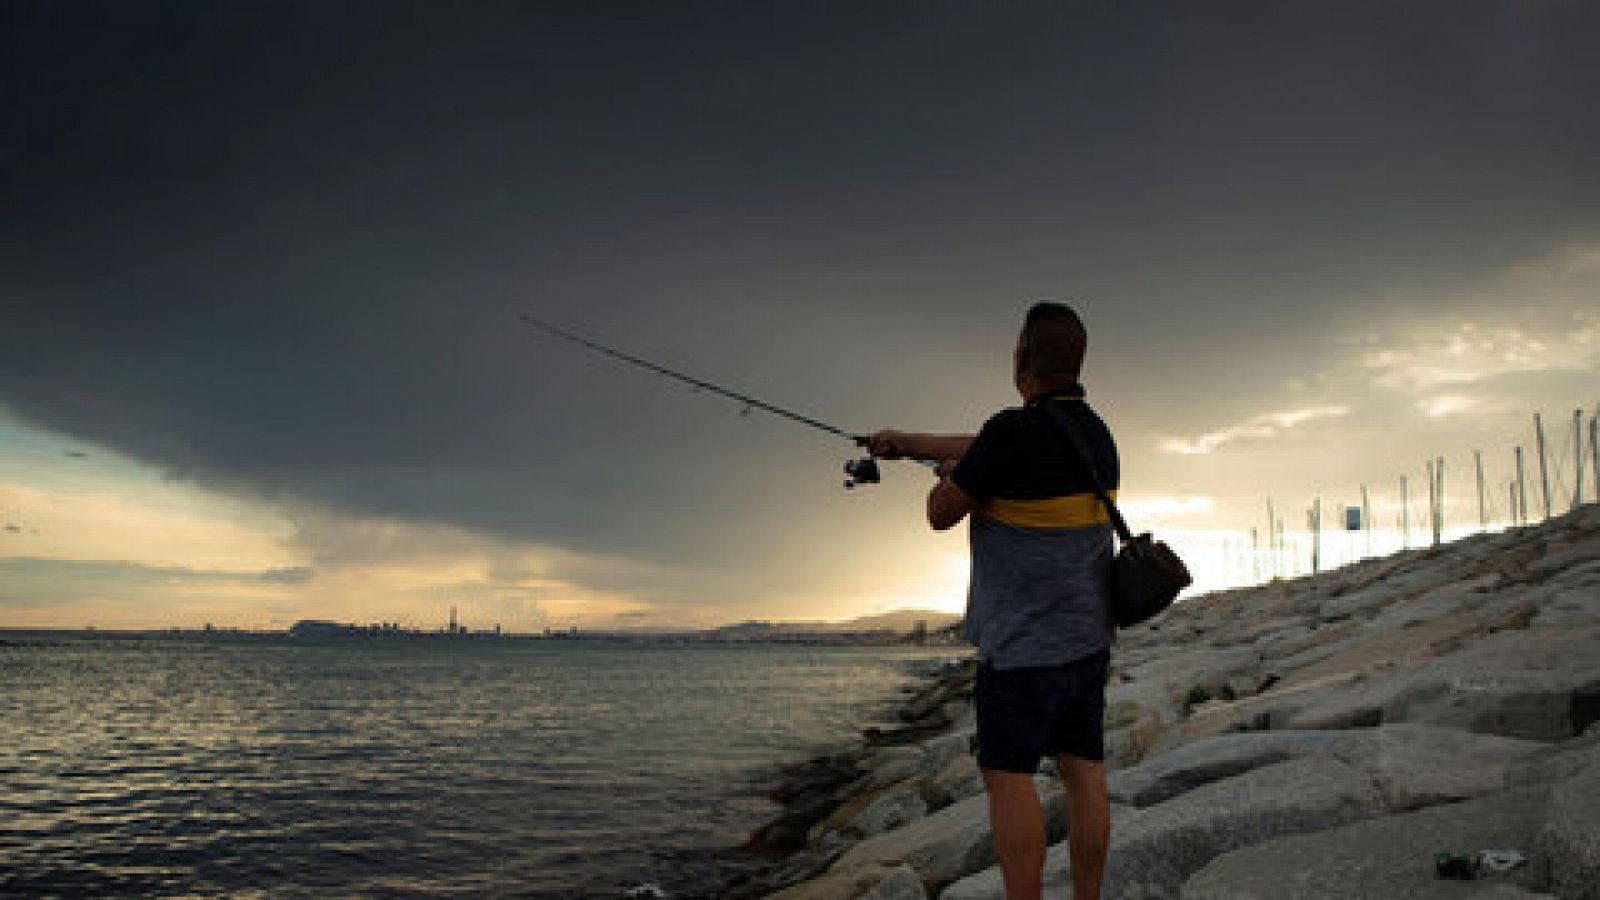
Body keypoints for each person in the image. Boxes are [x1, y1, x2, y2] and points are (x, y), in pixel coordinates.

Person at [865, 302, 1116, 900]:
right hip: (1088, 640)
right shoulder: (1095, 433)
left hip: (1021, 647)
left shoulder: (1012, 433)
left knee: (1010, 779)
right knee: (1084, 772)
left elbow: (939, 514)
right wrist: (906, 441)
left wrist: (951, 479)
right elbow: (990, 446)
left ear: (1021, 359)